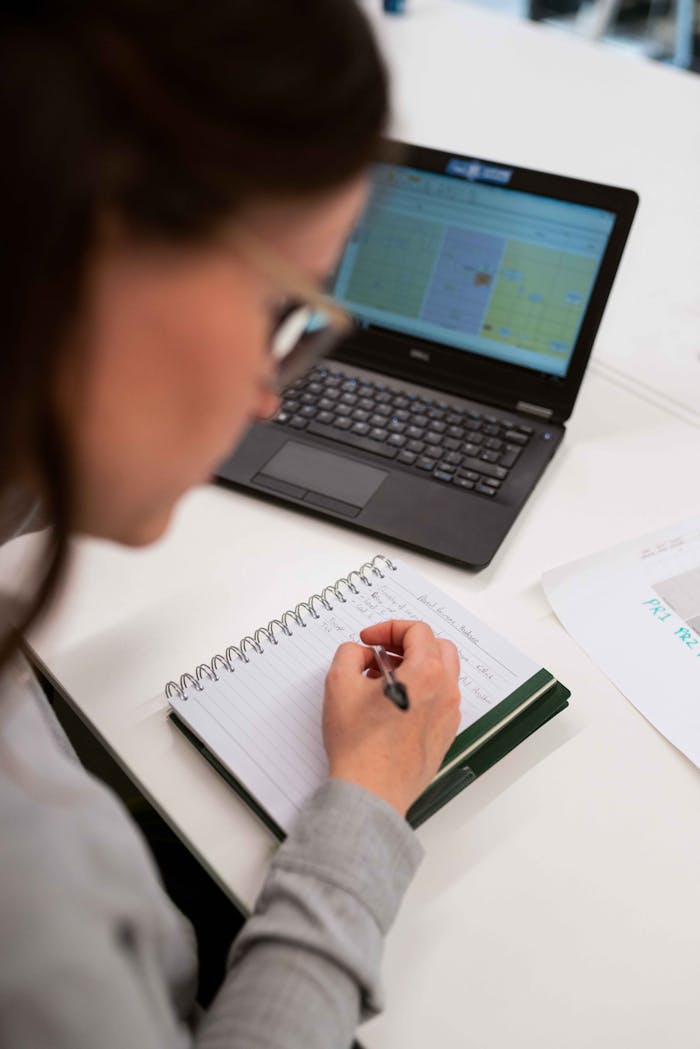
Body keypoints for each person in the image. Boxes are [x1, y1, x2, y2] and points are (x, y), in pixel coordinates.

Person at [0, 2, 461, 1047]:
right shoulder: (23, 904)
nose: (269, 393)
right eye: (280, 311)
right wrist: (366, 806)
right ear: (87, 251)